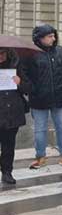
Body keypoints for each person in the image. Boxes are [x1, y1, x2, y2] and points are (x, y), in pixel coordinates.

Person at [22, 24, 62, 169]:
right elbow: (23, 73)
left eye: (53, 35)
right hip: (39, 99)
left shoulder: (60, 51)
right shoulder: (30, 54)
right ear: (40, 38)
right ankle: (40, 157)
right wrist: (32, 90)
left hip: (60, 97)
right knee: (40, 129)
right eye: (49, 36)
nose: (53, 38)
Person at [0, 48, 30, 185]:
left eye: (2, 53)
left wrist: (20, 83)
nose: (0, 57)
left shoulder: (17, 66)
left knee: (8, 145)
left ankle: (7, 172)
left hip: (12, 112)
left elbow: (29, 89)